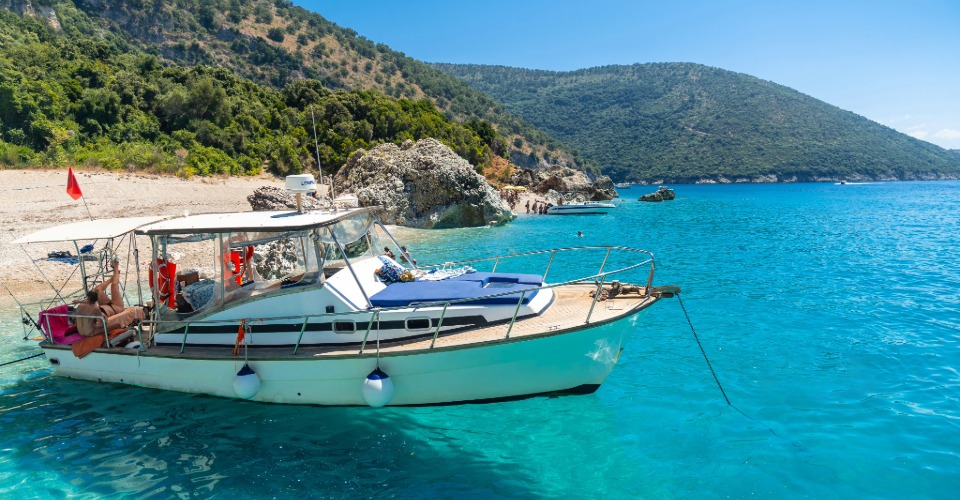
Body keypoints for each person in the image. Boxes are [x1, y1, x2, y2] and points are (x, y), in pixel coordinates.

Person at [74, 260, 144, 337]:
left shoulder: (82, 305)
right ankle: (116, 267)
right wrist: (104, 317)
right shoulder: (95, 308)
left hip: (104, 306)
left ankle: (113, 277)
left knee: (97, 289)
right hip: (116, 307)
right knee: (114, 285)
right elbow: (101, 324)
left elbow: (85, 305)